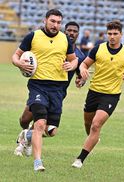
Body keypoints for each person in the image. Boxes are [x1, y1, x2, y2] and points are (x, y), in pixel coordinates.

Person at [12, 9, 78, 172]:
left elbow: (74, 58)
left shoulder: (65, 39)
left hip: (58, 88)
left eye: (58, 22)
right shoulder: (32, 37)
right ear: (45, 20)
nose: (55, 25)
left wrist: (72, 65)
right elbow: (15, 56)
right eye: (52, 21)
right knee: (40, 123)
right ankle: (37, 163)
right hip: (38, 85)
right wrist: (20, 63)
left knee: (51, 131)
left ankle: (26, 136)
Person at [72, 20, 124, 168]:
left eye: (115, 34)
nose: (112, 36)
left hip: (111, 95)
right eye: (109, 33)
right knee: (88, 124)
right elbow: (85, 63)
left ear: (121, 35)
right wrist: (83, 69)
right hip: (94, 92)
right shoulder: (98, 49)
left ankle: (80, 159)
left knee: (96, 125)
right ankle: (93, 138)